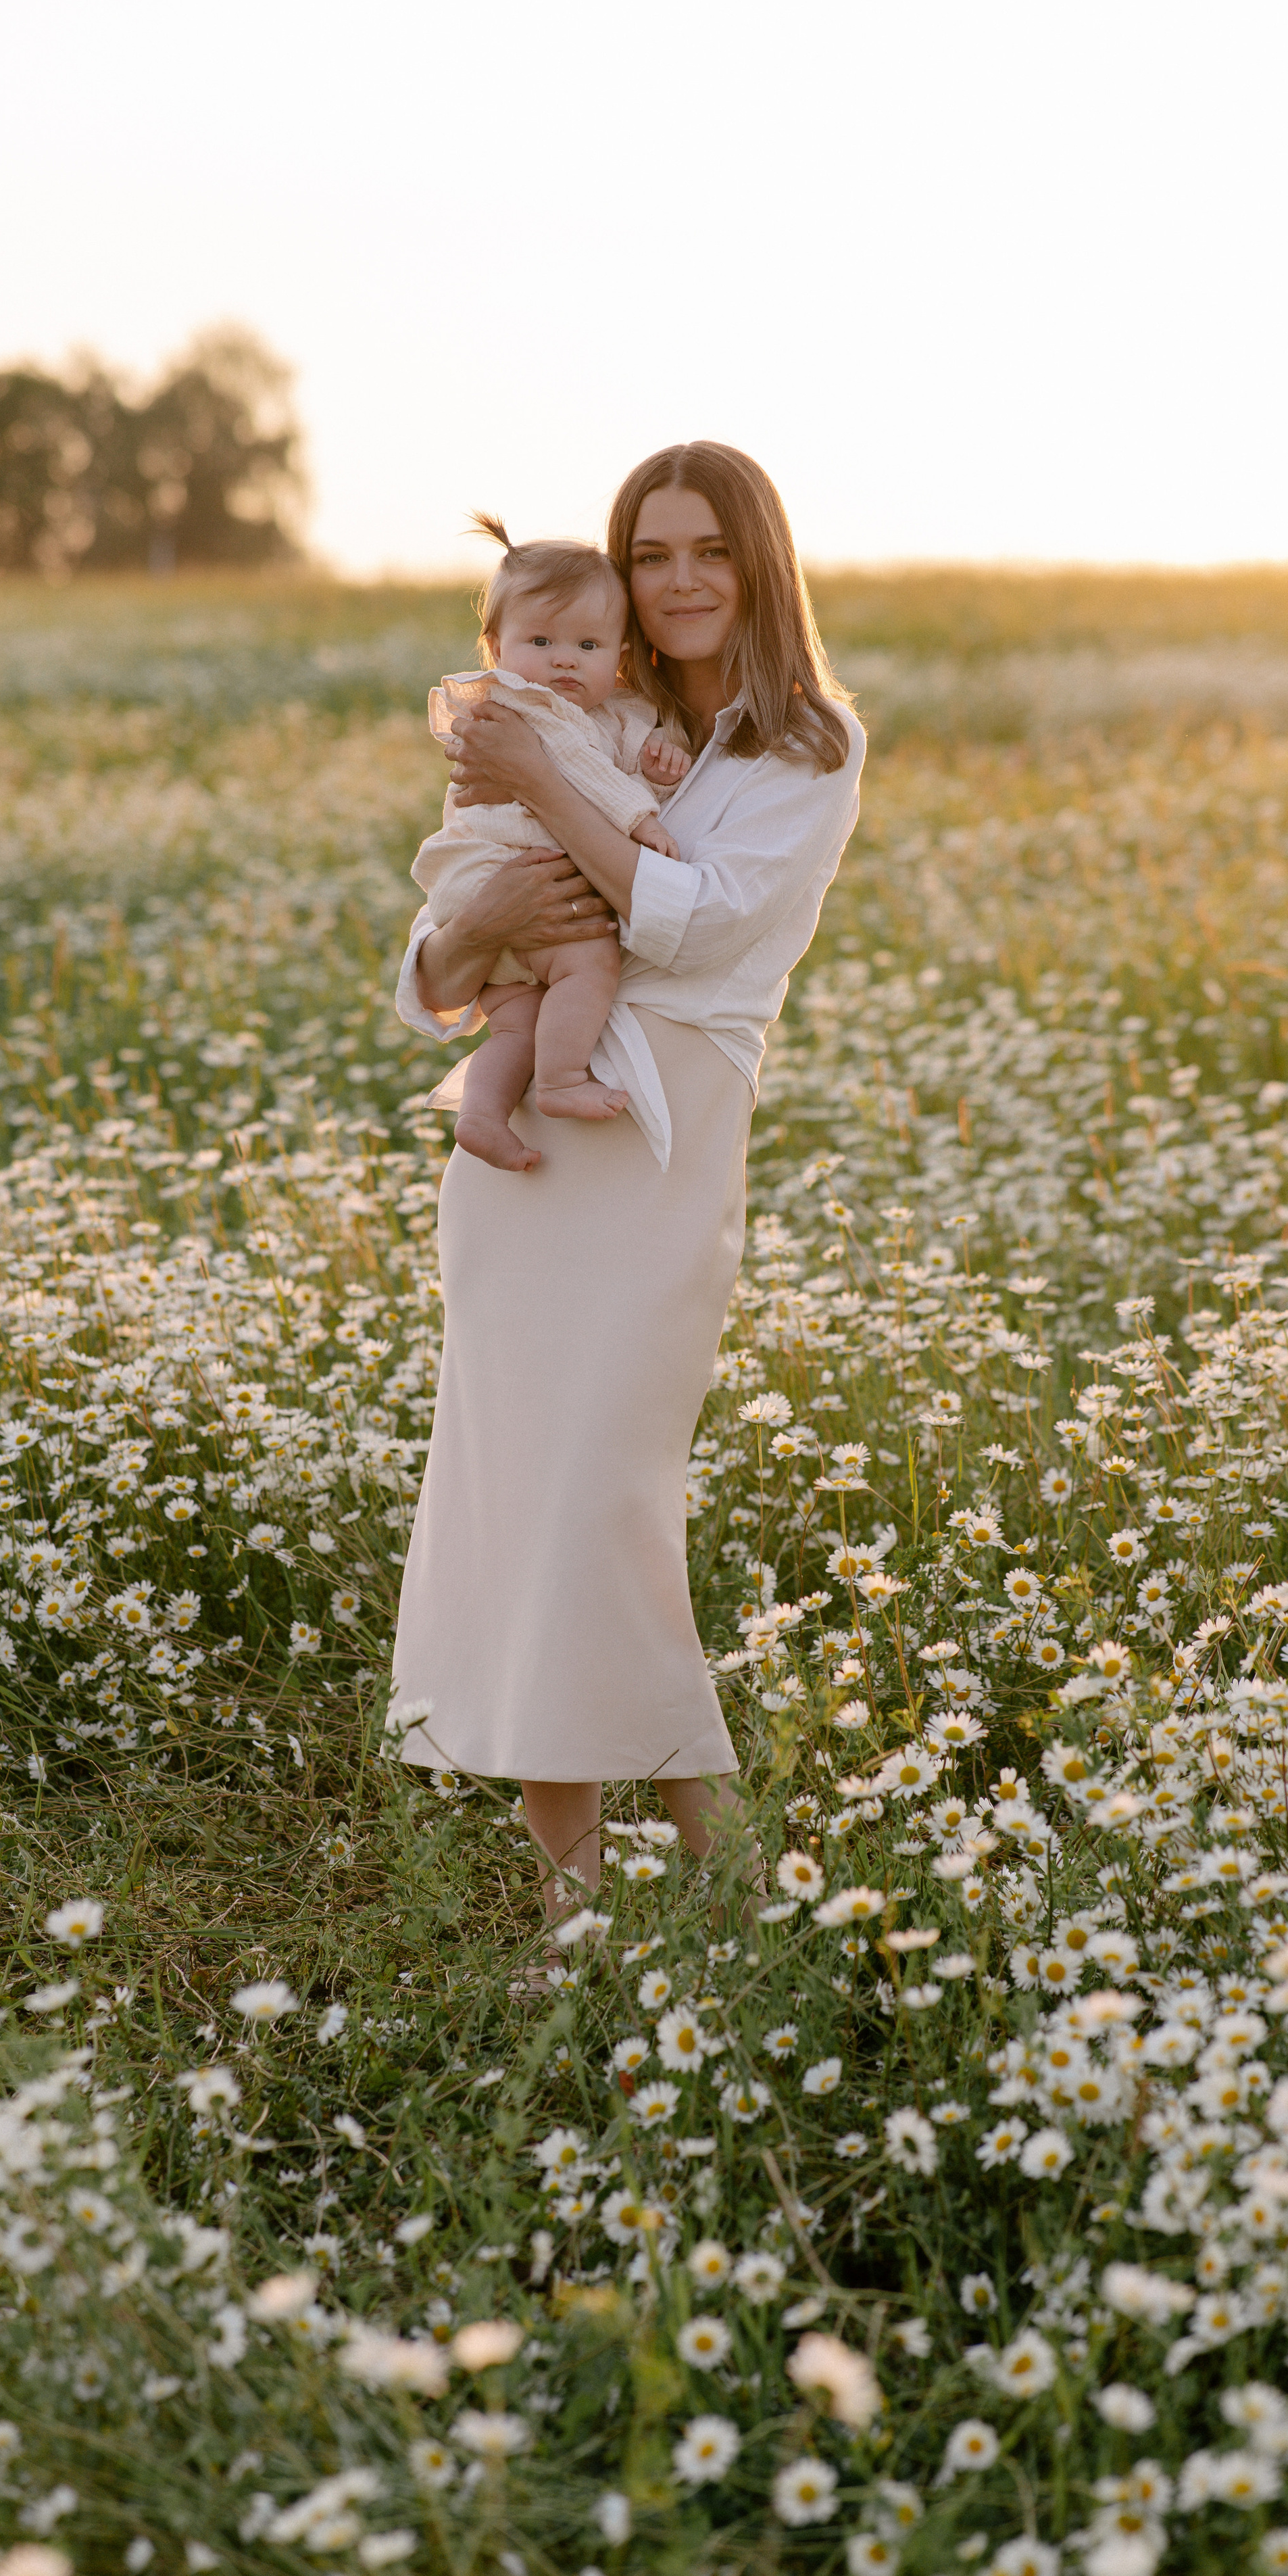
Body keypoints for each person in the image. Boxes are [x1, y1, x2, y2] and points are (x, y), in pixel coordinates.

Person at [387, 441, 864, 1972]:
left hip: (653, 1151)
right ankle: (579, 1902)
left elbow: (692, 924)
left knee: (605, 1501)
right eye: (647, 553)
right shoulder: (589, 712)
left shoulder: (805, 744)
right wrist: (476, 905)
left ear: (756, 562)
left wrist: (538, 785)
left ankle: (716, 1869)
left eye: (705, 551)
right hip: (521, 1147)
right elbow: (437, 969)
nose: (674, 582)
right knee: (531, 1505)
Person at [414, 515, 693, 1171]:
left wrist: (663, 757)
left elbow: (617, 760)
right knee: (591, 966)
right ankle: (563, 1080)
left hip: (483, 904)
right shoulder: (521, 707)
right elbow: (584, 770)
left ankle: (481, 1114)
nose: (565, 658)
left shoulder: (608, 714)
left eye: (589, 646)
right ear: (495, 647)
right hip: (511, 875)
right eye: (540, 640)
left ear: (621, 654)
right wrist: (642, 819)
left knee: (517, 1023)